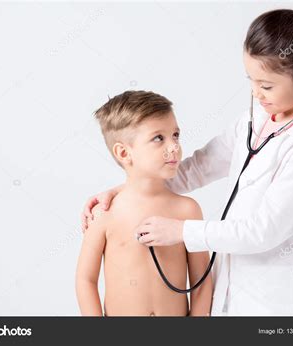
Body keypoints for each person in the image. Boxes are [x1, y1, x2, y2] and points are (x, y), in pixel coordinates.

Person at [82, 9, 293, 316]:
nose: (256, 94)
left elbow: (264, 231)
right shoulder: (253, 121)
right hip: (232, 290)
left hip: (278, 301)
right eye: (251, 81)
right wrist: (126, 192)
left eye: (267, 86)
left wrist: (182, 232)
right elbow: (197, 167)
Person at [76, 90, 212, 316]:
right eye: (159, 138)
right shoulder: (104, 213)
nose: (174, 147)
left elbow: (202, 279)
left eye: (175, 135)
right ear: (123, 152)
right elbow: (85, 279)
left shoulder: (187, 209)